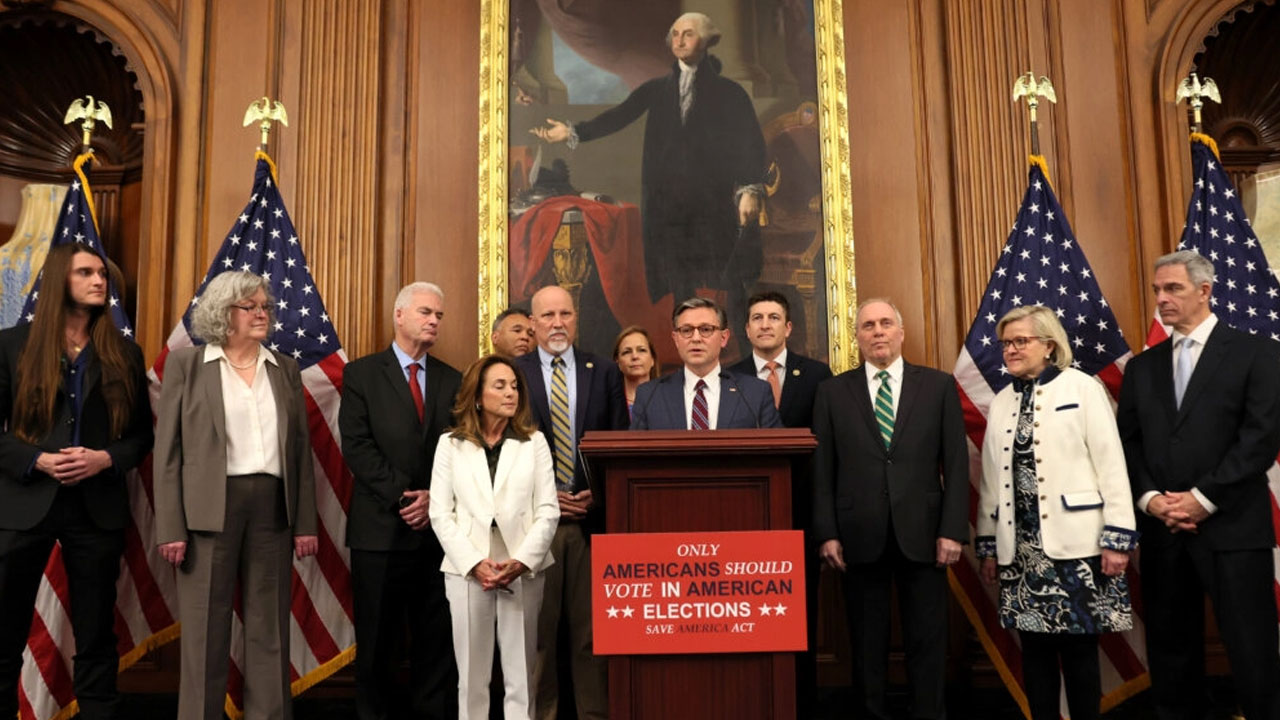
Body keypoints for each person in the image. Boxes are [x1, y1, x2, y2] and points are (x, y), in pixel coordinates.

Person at [1118, 250, 1280, 720]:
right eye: (1157, 291)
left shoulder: (1258, 352)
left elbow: (1260, 438)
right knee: (1170, 649)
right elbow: (1127, 444)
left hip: (1233, 528)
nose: (1162, 299)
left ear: (1205, 291)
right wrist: (1153, 501)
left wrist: (1202, 499)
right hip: (1164, 531)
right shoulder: (1142, 368)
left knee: (1251, 648)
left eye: (1173, 289)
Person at [153, 270, 318, 720]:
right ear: (225, 313)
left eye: (266, 306)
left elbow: (300, 453)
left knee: (270, 631)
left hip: (272, 508)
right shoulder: (188, 366)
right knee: (206, 632)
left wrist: (305, 523)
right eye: (252, 307)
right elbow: (167, 453)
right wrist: (171, 526)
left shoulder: (283, 368)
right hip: (208, 512)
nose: (263, 314)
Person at [530, 12, 765, 323]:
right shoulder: (657, 88)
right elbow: (619, 115)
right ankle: (687, 344)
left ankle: (739, 349)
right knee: (679, 282)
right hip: (669, 207)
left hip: (712, 203)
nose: (680, 40)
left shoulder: (730, 93)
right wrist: (573, 132)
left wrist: (750, 189)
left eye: (689, 34)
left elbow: (750, 142)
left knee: (728, 279)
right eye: (676, 34)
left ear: (708, 42)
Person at [0, 242, 152, 720]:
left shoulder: (124, 351)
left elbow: (141, 436)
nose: (99, 281)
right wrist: (37, 461)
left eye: (102, 274)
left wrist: (104, 458)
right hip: (25, 502)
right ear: (58, 280)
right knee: (4, 634)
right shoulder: (11, 345)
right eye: (86, 273)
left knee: (96, 636)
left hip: (96, 506)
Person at [976, 305, 1136, 720]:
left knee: (1080, 651)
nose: (1010, 349)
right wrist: (989, 546)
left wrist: (1117, 538)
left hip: (1078, 546)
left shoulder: (1082, 388)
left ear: (1049, 344)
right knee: (1036, 654)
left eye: (1020, 341)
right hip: (1022, 550)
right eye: (1005, 343)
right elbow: (992, 481)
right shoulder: (1001, 401)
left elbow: (1111, 466)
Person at [811, 298, 967, 720]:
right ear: (857, 337)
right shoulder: (831, 392)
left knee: (928, 641)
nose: (877, 332)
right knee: (866, 643)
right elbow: (822, 471)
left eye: (885, 324)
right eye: (867, 326)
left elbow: (955, 462)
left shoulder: (937, 386)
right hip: (857, 536)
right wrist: (827, 532)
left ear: (901, 332)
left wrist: (953, 530)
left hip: (926, 533)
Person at [339, 282, 462, 720]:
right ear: (399, 315)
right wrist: (405, 498)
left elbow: (460, 450)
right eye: (426, 312)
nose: (433, 321)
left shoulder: (453, 380)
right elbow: (356, 447)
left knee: (436, 644)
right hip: (379, 533)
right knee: (377, 645)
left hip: (438, 536)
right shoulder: (361, 374)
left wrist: (434, 498)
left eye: (440, 316)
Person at [513, 284, 627, 720]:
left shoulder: (604, 371)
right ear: (533, 323)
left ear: (576, 318)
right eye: (547, 316)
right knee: (538, 637)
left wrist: (598, 493)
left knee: (592, 637)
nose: (557, 323)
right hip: (532, 526)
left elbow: (619, 445)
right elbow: (500, 450)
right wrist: (546, 499)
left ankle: (594, 715)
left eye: (565, 314)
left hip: (591, 523)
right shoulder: (512, 372)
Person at [430, 355, 560, 719]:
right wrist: (474, 564)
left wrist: (520, 562)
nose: (511, 394)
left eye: (515, 386)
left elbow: (548, 510)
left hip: (522, 564)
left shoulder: (533, 442)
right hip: (468, 566)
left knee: (521, 674)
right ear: (476, 395)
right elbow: (440, 513)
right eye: (500, 386)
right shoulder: (450, 445)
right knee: (471, 676)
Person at [727, 289, 830, 715]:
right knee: (747, 617)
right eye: (757, 317)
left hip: (803, 514)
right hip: (744, 518)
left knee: (799, 617)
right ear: (746, 329)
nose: (765, 324)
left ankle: (799, 704)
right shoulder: (728, 376)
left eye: (773, 317)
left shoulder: (818, 375)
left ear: (788, 327)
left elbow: (827, 448)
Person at [631, 297, 780, 430]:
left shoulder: (754, 393)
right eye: (687, 330)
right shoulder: (650, 395)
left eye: (706, 329)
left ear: (724, 338)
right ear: (676, 339)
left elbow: (778, 450)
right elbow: (634, 455)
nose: (696, 338)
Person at [611, 325, 659, 415]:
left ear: (652, 359)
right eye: (627, 352)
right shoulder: (608, 404)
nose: (635, 356)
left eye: (641, 350)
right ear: (618, 363)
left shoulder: (667, 400)